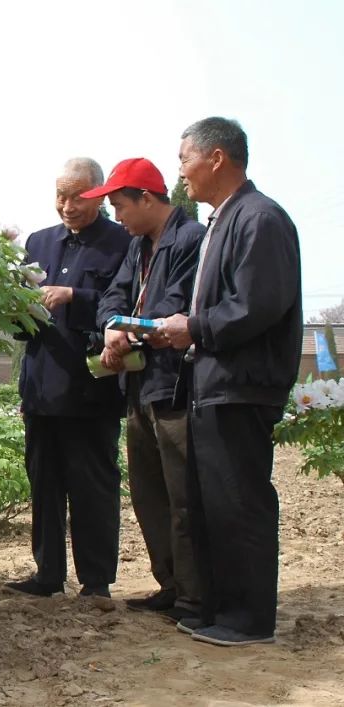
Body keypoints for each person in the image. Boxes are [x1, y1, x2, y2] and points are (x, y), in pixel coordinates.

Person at [155, 117, 301, 647]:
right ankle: (217, 608)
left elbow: (255, 305)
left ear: (216, 158)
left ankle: (248, 618)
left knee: (239, 502)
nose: (181, 171)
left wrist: (192, 327)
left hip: (242, 385)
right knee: (212, 501)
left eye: (183, 158)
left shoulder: (260, 219)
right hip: (213, 383)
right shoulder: (224, 220)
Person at [6, 158, 130, 599]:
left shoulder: (122, 243)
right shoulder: (39, 243)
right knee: (44, 481)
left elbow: (126, 301)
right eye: (60, 195)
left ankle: (96, 582)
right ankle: (47, 575)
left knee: (92, 484)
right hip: (42, 385)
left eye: (77, 196)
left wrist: (74, 296)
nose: (67, 205)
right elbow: (21, 317)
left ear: (98, 194)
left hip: (91, 387)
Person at [89, 158, 205, 621]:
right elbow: (112, 298)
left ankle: (195, 596)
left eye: (120, 205)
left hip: (175, 385)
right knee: (147, 493)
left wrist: (125, 331)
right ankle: (170, 584)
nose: (117, 216)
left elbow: (173, 307)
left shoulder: (190, 241)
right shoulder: (137, 247)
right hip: (139, 384)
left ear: (148, 198)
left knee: (183, 496)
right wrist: (111, 328)